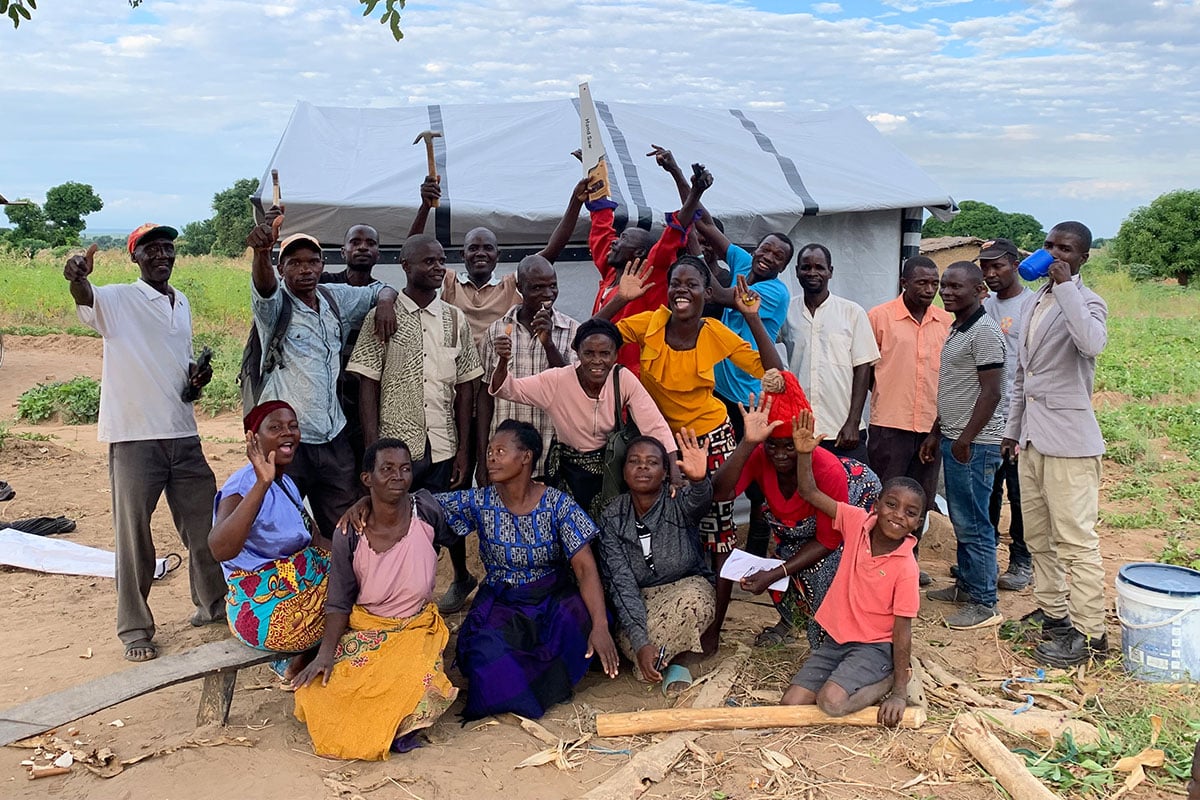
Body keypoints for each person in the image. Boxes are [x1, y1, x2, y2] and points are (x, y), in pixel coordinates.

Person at [598, 241, 786, 652]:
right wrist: (621, 299)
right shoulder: (649, 323)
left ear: (706, 291)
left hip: (710, 438)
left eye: (692, 284)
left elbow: (773, 370)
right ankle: (665, 615)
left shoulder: (714, 332)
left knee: (718, 533)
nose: (682, 290)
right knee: (665, 527)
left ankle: (713, 630)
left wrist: (751, 316)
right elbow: (593, 336)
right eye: (675, 283)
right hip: (658, 444)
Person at [64, 224, 226, 662]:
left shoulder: (181, 302)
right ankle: (135, 629)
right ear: (134, 257)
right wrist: (77, 276)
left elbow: (175, 360)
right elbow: (85, 297)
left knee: (205, 527)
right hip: (135, 438)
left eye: (168, 248)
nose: (162, 255)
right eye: (151, 249)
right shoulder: (118, 299)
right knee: (134, 537)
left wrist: (195, 377)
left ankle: (212, 605)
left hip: (183, 433)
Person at [436, 420, 619, 720]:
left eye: (500, 451)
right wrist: (370, 502)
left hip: (550, 595)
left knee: (583, 620)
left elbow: (585, 568)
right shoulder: (480, 501)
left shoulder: (558, 504)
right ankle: (525, 684)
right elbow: (425, 506)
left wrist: (599, 626)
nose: (491, 458)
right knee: (485, 657)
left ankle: (548, 678)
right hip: (503, 600)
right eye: (489, 451)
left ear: (526, 457)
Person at [292, 438, 458, 760]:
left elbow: (456, 531)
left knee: (415, 680)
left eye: (405, 469)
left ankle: (391, 725)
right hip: (368, 627)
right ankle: (378, 727)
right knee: (321, 690)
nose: (398, 476)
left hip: (416, 626)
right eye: (387, 469)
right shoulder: (349, 533)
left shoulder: (426, 510)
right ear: (367, 478)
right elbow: (339, 601)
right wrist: (325, 654)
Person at [346, 233, 483, 614]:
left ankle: (461, 576)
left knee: (447, 514)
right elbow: (368, 384)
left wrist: (463, 449)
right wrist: (373, 450)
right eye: (429, 261)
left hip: (443, 440)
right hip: (396, 445)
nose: (438, 267)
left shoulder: (454, 319)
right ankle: (401, 593)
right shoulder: (383, 316)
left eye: (441, 261)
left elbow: (466, 387)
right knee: (399, 518)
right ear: (406, 266)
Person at [247, 215, 399, 538]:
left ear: (322, 265)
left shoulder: (332, 297)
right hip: (290, 440)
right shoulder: (275, 306)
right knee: (282, 526)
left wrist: (386, 302)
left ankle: (340, 571)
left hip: (333, 436)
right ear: (281, 268)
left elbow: (380, 289)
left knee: (345, 527)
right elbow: (263, 287)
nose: (305, 269)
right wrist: (261, 253)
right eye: (295, 263)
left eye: (312, 262)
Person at [1002, 222, 1109, 667]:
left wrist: (1066, 288)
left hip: (1070, 442)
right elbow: (1022, 375)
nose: (1054, 254)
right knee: (1038, 536)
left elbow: (1091, 344)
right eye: (1049, 246)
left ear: (1082, 258)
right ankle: (1055, 614)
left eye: (1065, 249)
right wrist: (1012, 430)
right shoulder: (1034, 301)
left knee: (1075, 540)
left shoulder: (1087, 301)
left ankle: (1091, 633)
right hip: (1032, 439)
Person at [714, 372, 881, 648]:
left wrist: (776, 573)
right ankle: (790, 621)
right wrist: (748, 443)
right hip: (795, 530)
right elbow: (720, 493)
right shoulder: (760, 455)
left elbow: (829, 540)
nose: (780, 455)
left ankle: (835, 635)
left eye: (789, 446)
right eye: (772, 445)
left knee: (824, 569)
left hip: (840, 526)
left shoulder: (827, 471)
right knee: (782, 557)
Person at [781, 410, 922, 729]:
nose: (898, 515)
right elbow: (809, 492)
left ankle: (888, 679)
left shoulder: (906, 567)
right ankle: (852, 675)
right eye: (891, 504)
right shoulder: (856, 522)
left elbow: (902, 630)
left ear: (917, 523)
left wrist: (899, 693)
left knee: (831, 702)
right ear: (876, 505)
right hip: (837, 640)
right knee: (790, 704)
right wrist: (804, 454)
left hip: (874, 648)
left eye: (910, 512)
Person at [489, 318, 677, 518]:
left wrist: (674, 472)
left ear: (615, 355)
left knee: (609, 525)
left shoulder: (622, 378)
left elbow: (654, 426)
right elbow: (507, 389)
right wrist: (503, 361)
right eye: (589, 353)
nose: (597, 361)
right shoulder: (557, 380)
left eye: (605, 354)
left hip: (609, 471)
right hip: (567, 472)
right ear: (577, 353)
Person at [208, 401, 329, 676]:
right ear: (253, 438)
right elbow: (220, 549)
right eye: (275, 427)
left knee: (362, 578)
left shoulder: (286, 482)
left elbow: (316, 541)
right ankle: (297, 662)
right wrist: (262, 483)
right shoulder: (243, 485)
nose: (287, 433)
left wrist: (365, 555)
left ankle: (302, 659)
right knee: (348, 598)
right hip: (262, 610)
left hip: (296, 592)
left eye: (293, 426)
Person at [920, 262, 1007, 630]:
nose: (947, 292)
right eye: (945, 285)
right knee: (963, 519)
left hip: (975, 444)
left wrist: (966, 439)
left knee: (974, 523)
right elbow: (957, 389)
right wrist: (937, 432)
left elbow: (991, 393)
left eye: (957, 287)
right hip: (956, 437)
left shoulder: (984, 332)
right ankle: (968, 586)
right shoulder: (959, 327)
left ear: (979, 291)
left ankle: (985, 602)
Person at [598, 432, 714, 690]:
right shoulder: (612, 516)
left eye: (652, 462)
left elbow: (700, 502)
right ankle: (661, 658)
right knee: (635, 641)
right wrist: (640, 642)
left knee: (694, 602)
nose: (642, 467)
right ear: (624, 472)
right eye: (634, 461)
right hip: (641, 600)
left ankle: (675, 661)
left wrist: (698, 481)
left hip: (685, 588)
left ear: (664, 473)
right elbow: (621, 583)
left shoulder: (676, 500)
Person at [866, 255, 952, 584]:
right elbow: (866, 373)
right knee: (885, 497)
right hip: (890, 424)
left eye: (934, 284)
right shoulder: (879, 317)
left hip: (932, 428)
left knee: (920, 500)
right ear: (904, 283)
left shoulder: (946, 322)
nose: (930, 289)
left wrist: (938, 429)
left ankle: (907, 566)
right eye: (922, 283)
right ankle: (876, 564)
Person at [583, 149, 697, 372]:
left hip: (635, 376)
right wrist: (594, 173)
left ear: (639, 253)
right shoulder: (612, 273)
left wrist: (693, 190)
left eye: (623, 238)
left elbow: (671, 238)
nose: (615, 241)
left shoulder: (649, 277)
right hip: (601, 373)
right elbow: (601, 230)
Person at [478, 255, 581, 479]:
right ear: (520, 287)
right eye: (537, 288)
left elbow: (574, 389)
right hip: (506, 459)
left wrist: (549, 344)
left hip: (553, 454)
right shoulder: (497, 331)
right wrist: (482, 456)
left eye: (552, 286)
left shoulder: (573, 331)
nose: (548, 293)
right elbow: (485, 396)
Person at [780, 243, 879, 464]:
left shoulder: (852, 312)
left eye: (819, 267)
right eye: (806, 267)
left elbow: (863, 368)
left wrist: (853, 422)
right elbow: (764, 339)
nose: (812, 273)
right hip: (800, 429)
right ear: (797, 271)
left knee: (851, 485)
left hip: (842, 430)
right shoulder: (786, 312)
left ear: (830, 272)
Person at [979, 238, 1036, 591]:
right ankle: (984, 560)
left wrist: (1020, 421)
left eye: (998, 266)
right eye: (985, 267)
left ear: (1015, 265)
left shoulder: (1031, 304)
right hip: (987, 414)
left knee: (1019, 493)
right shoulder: (985, 306)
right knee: (988, 492)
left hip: (1019, 416)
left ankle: (1021, 560)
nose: (990, 273)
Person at [319, 223, 387, 470]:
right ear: (343, 251)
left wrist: (386, 301)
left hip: (362, 399)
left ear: (378, 253)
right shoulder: (325, 284)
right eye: (355, 242)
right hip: (326, 396)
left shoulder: (383, 295)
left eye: (370, 243)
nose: (363, 248)